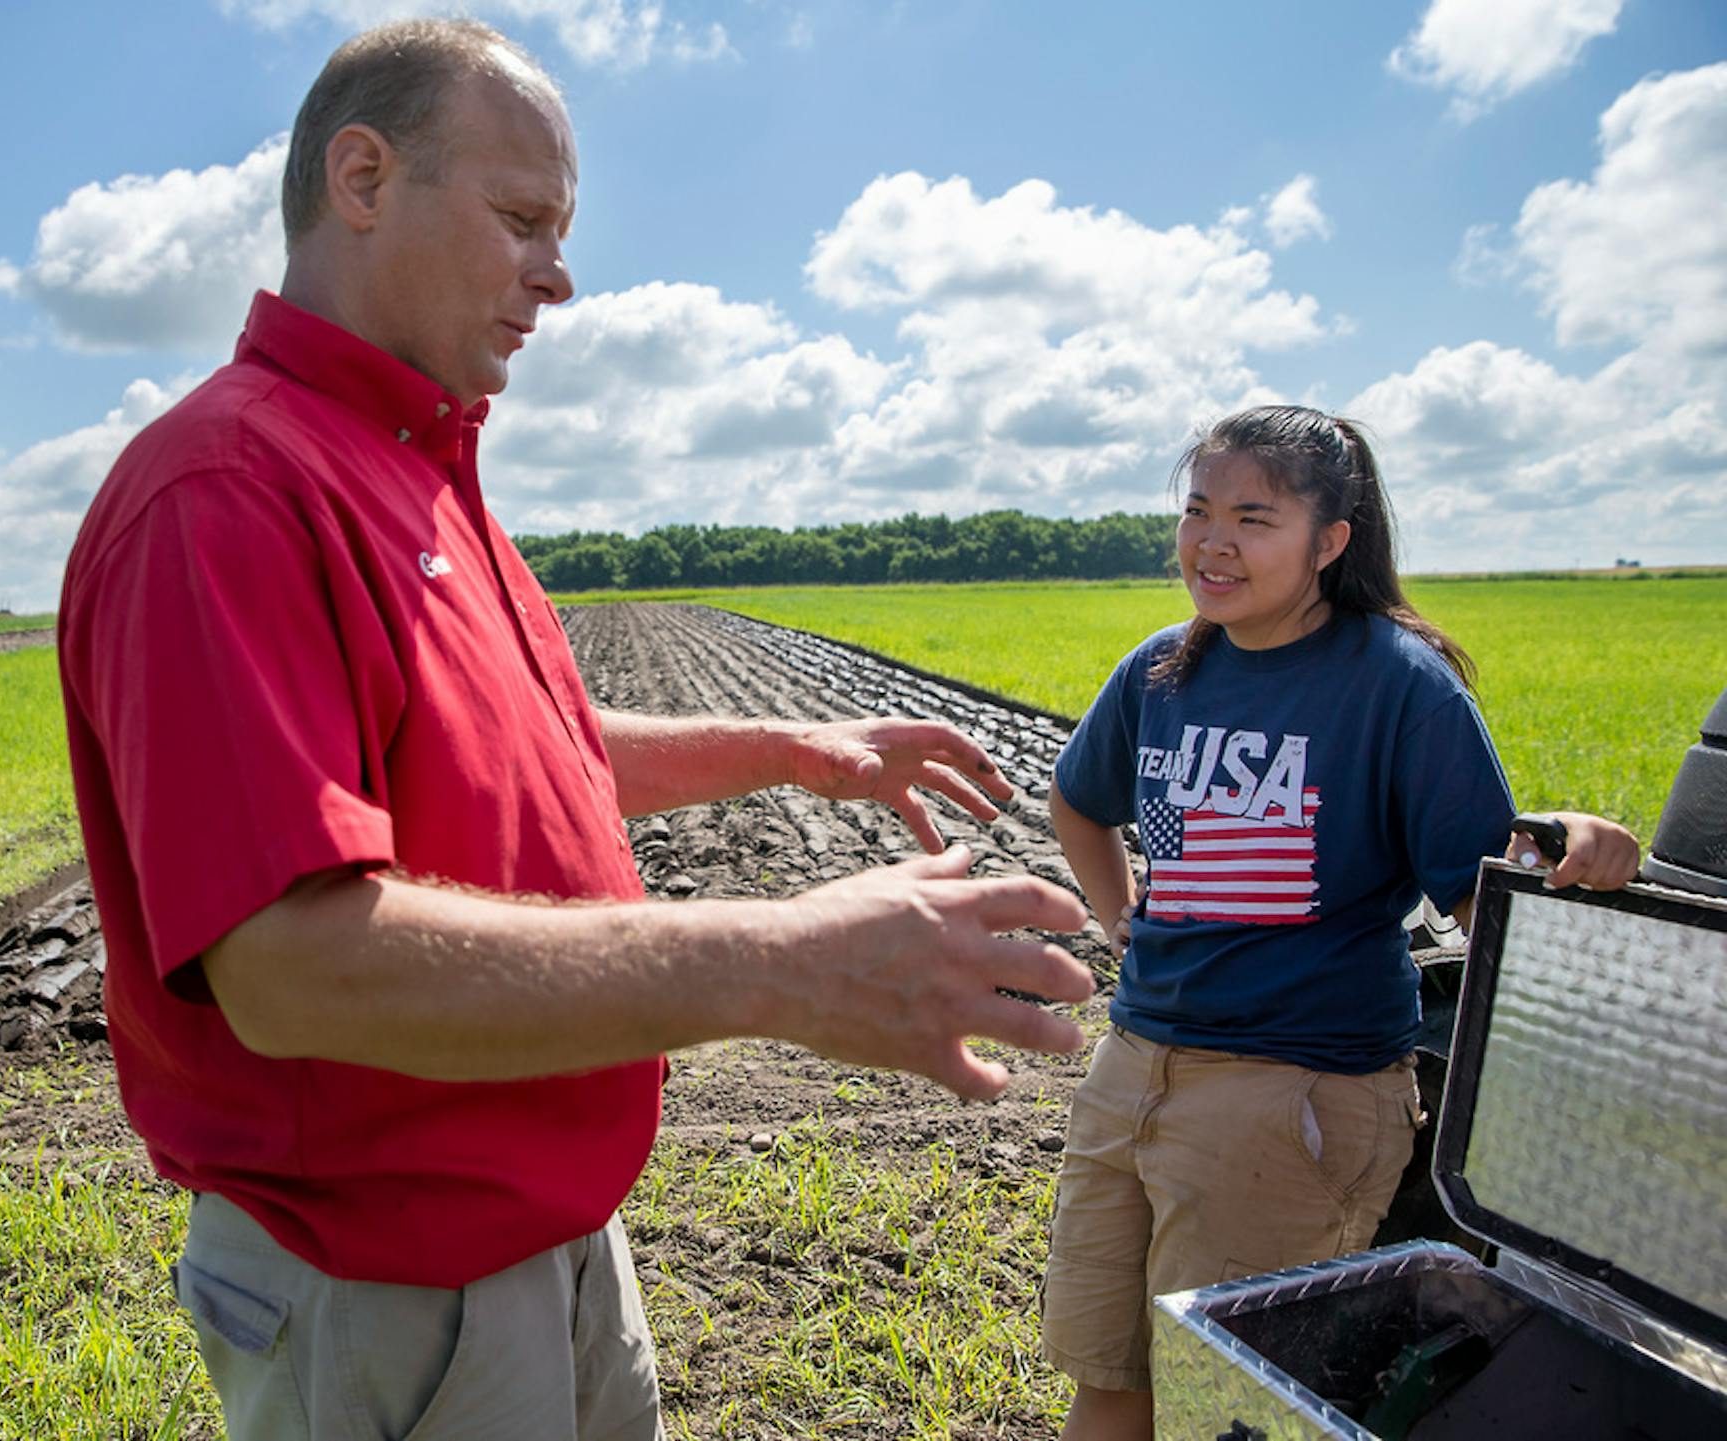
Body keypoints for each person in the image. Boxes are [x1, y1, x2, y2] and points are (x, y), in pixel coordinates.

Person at [55, 18, 1095, 1440]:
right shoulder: (228, 489)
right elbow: (295, 967)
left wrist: (798, 749)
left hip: (548, 1242)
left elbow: (528, 754)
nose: (558, 273)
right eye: (523, 219)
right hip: (391, 1288)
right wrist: (779, 964)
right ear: (362, 178)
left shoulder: (415, 469)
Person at [1039, 404, 1641, 1440]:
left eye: (1254, 516)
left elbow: (1477, 886)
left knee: (1224, 1412)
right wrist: (1120, 921)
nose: (1213, 540)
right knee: (1110, 1371)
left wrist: (1575, 841)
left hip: (1291, 1094)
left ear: (1330, 542)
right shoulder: (1161, 670)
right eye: (1198, 509)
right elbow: (1076, 799)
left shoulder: (1398, 685)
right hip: (1134, 1067)